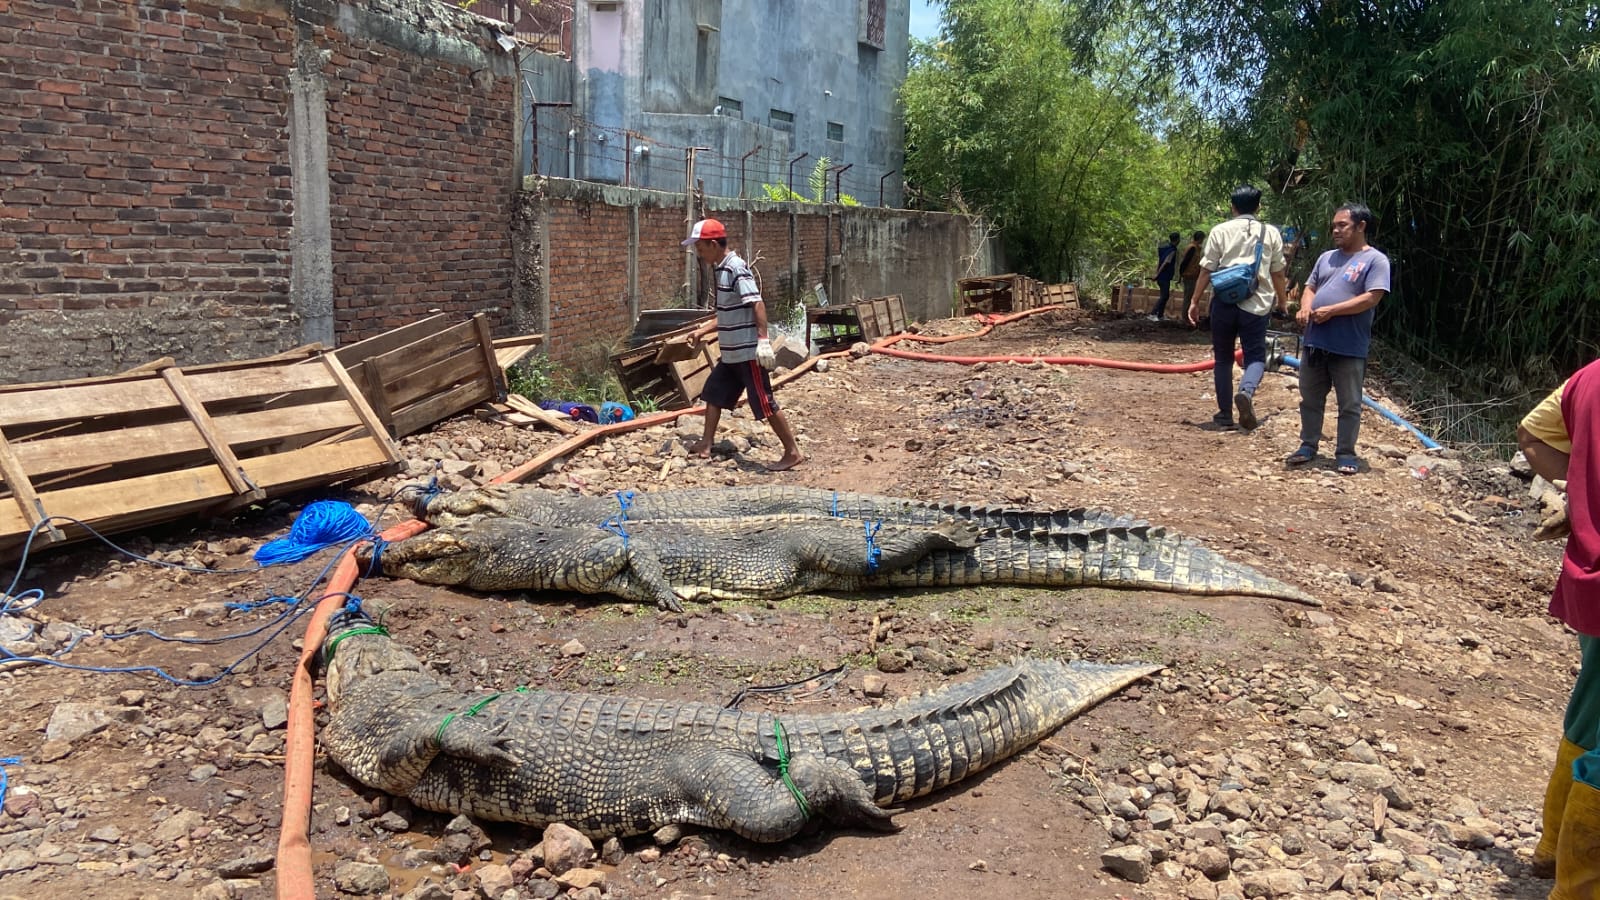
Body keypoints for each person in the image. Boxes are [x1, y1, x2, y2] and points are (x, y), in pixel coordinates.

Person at [1519, 360, 1600, 897]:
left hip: (1591, 572)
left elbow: (1531, 436)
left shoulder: (1590, 377)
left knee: (1591, 707)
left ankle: (1553, 847)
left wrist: (1581, 499)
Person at [681, 218, 804, 472]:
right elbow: (727, 313)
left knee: (764, 402)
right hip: (731, 355)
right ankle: (706, 443)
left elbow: (757, 303)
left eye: (701, 248)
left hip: (748, 352)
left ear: (714, 244)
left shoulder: (736, 268)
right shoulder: (721, 269)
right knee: (713, 393)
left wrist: (763, 341)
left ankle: (792, 452)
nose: (699, 254)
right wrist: (702, 330)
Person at [1283, 203, 1391, 475]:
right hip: (1315, 341)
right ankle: (1308, 445)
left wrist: (1332, 311)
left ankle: (1345, 453)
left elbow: (1372, 297)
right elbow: (1310, 287)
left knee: (1349, 403)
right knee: (1310, 397)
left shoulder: (1375, 260)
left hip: (1349, 345)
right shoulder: (1326, 257)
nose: (1335, 230)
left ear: (1361, 226)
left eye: (1342, 225)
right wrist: (1306, 307)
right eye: (1334, 225)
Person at [1187, 185, 1288, 431]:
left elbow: (1206, 270)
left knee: (1223, 358)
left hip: (1224, 302)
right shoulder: (1270, 232)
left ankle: (1224, 414)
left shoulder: (1220, 231)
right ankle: (1246, 390)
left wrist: (1194, 301)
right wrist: (1283, 302)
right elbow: (1278, 272)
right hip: (1256, 304)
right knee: (1255, 355)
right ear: (1259, 207)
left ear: (1232, 206)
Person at [1148, 232, 1180, 321]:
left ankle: (1160, 315)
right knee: (1164, 296)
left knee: (1165, 295)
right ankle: (1153, 314)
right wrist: (1157, 274)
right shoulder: (1172, 250)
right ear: (1177, 240)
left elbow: (1160, 262)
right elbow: (1166, 262)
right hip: (1164, 276)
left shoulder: (1164, 249)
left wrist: (1156, 273)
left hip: (1163, 276)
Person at [1179, 230, 1204, 310]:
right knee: (1188, 297)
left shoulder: (1197, 248)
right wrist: (1181, 274)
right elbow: (1185, 262)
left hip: (1193, 276)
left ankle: (1187, 317)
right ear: (1200, 239)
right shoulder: (1192, 248)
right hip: (1189, 276)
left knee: (1190, 297)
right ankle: (1185, 317)